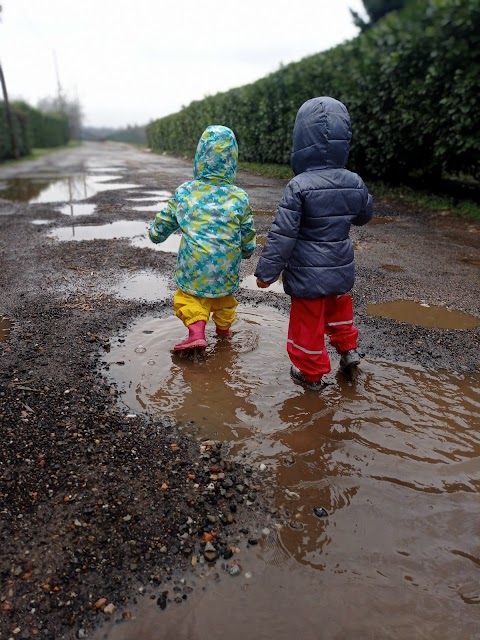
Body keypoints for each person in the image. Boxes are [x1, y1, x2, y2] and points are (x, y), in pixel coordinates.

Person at [255, 96, 373, 390]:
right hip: (340, 270)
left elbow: (283, 235)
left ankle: (311, 376)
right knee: (339, 310)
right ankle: (348, 351)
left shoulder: (299, 186)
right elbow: (363, 216)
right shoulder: (354, 180)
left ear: (301, 140)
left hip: (308, 276)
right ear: (343, 139)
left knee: (307, 325)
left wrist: (266, 273)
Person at [149, 125, 256, 352]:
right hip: (226, 269)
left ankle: (196, 334)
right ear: (232, 161)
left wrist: (155, 234)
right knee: (224, 301)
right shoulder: (239, 197)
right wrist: (247, 250)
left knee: (189, 299)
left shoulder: (186, 192)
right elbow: (247, 231)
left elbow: (165, 222)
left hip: (193, 268)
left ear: (199, 158)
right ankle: (223, 333)